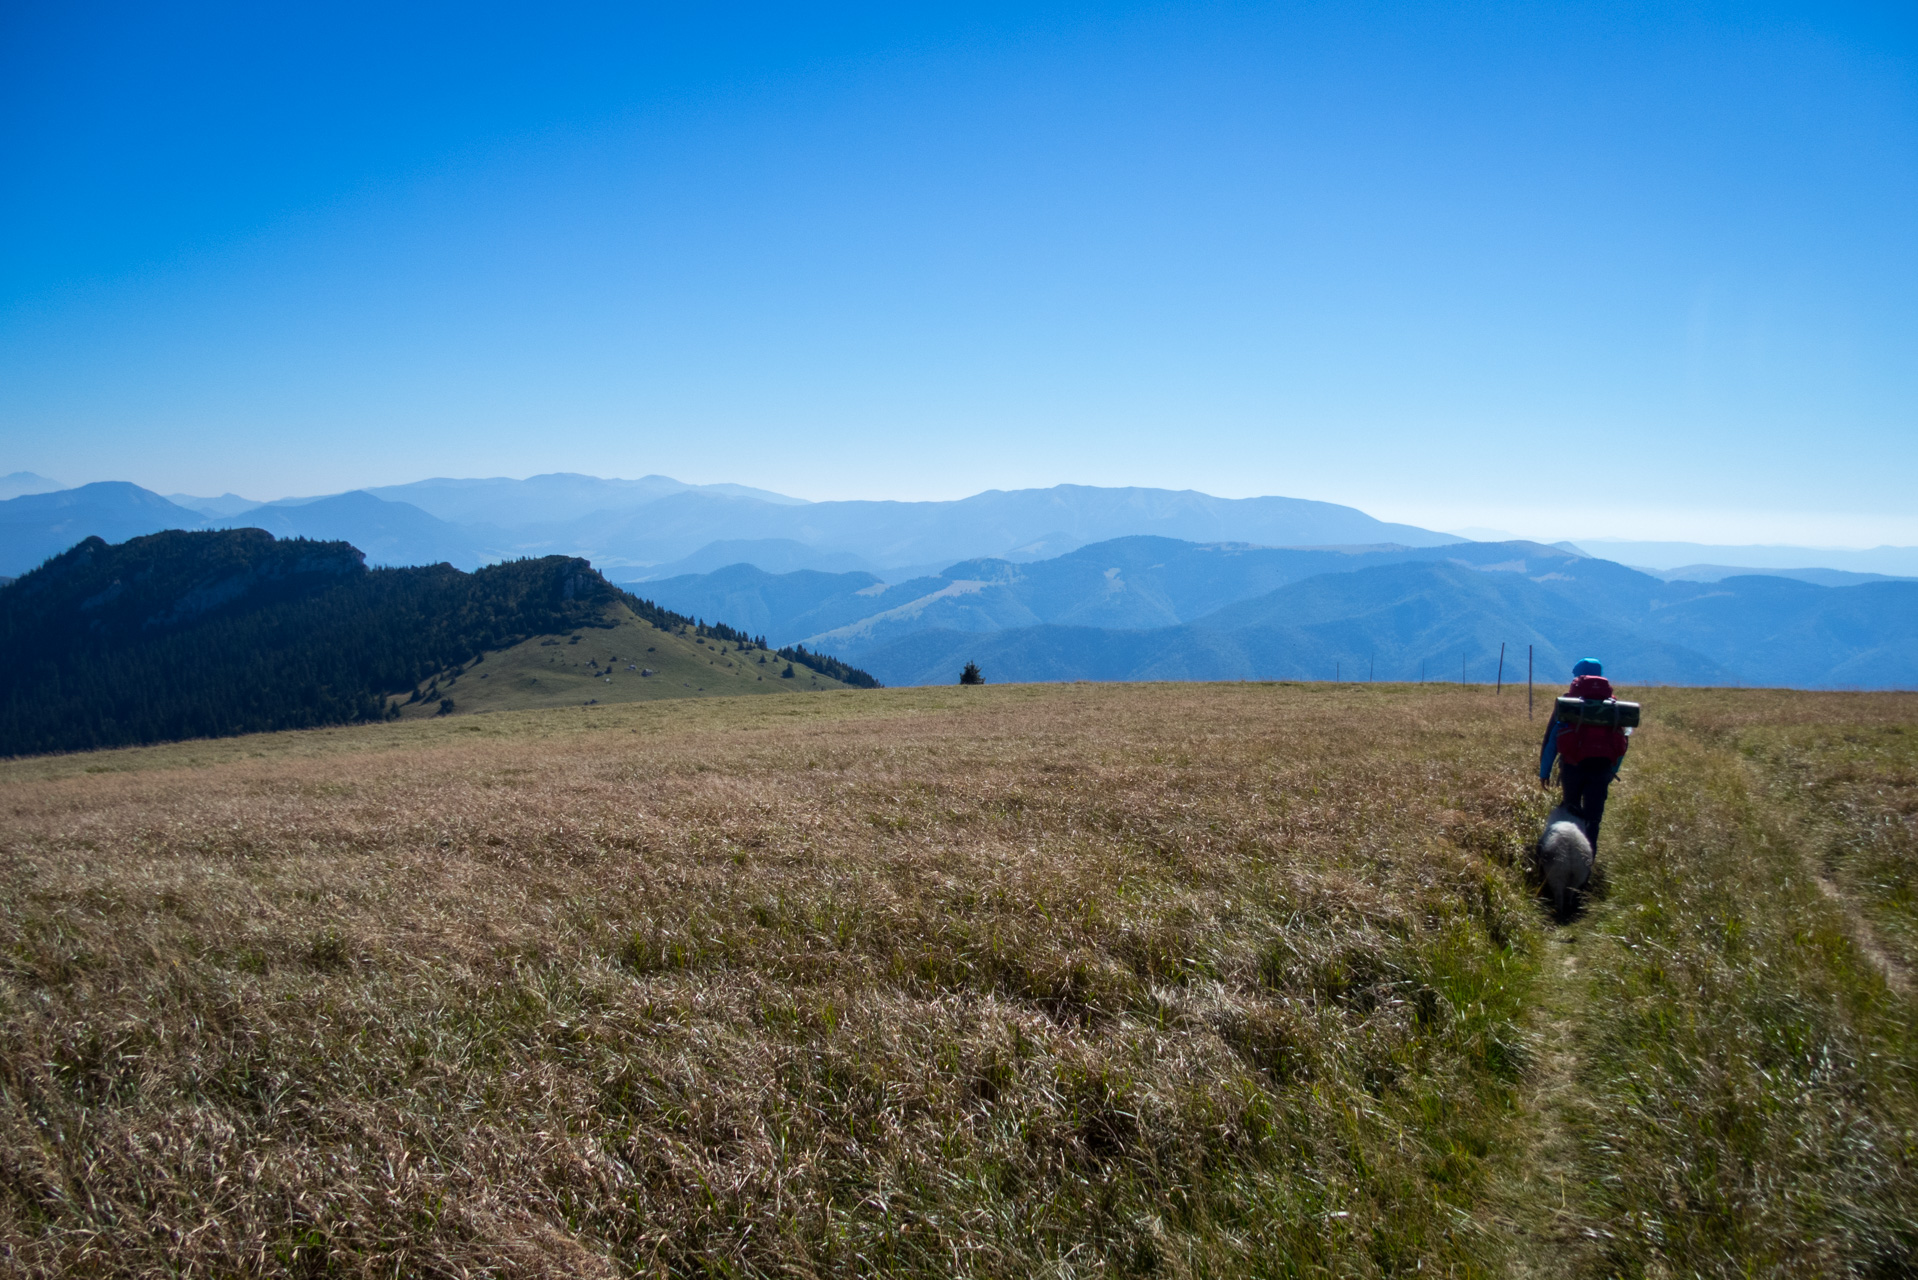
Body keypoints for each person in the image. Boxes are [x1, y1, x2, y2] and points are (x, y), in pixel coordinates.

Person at [1539, 657, 1630, 851]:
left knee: (1571, 812)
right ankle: (1587, 863)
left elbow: (1552, 740)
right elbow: (1622, 742)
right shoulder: (1612, 707)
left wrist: (1544, 772)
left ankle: (1565, 857)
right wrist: (1612, 769)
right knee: (1593, 819)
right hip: (1602, 769)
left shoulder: (1568, 705)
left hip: (1572, 767)